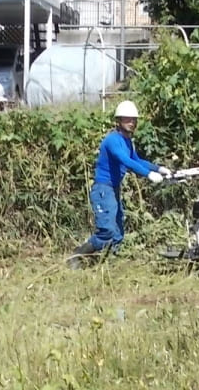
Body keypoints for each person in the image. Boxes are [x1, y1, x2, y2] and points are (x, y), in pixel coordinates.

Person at [69, 100, 171, 267]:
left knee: (118, 232)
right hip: (103, 189)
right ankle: (77, 255)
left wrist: (158, 168)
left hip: (114, 189)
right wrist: (148, 174)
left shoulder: (127, 142)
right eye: (127, 119)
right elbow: (125, 160)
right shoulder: (112, 140)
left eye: (134, 119)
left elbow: (136, 160)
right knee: (107, 231)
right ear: (118, 121)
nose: (132, 123)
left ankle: (110, 263)